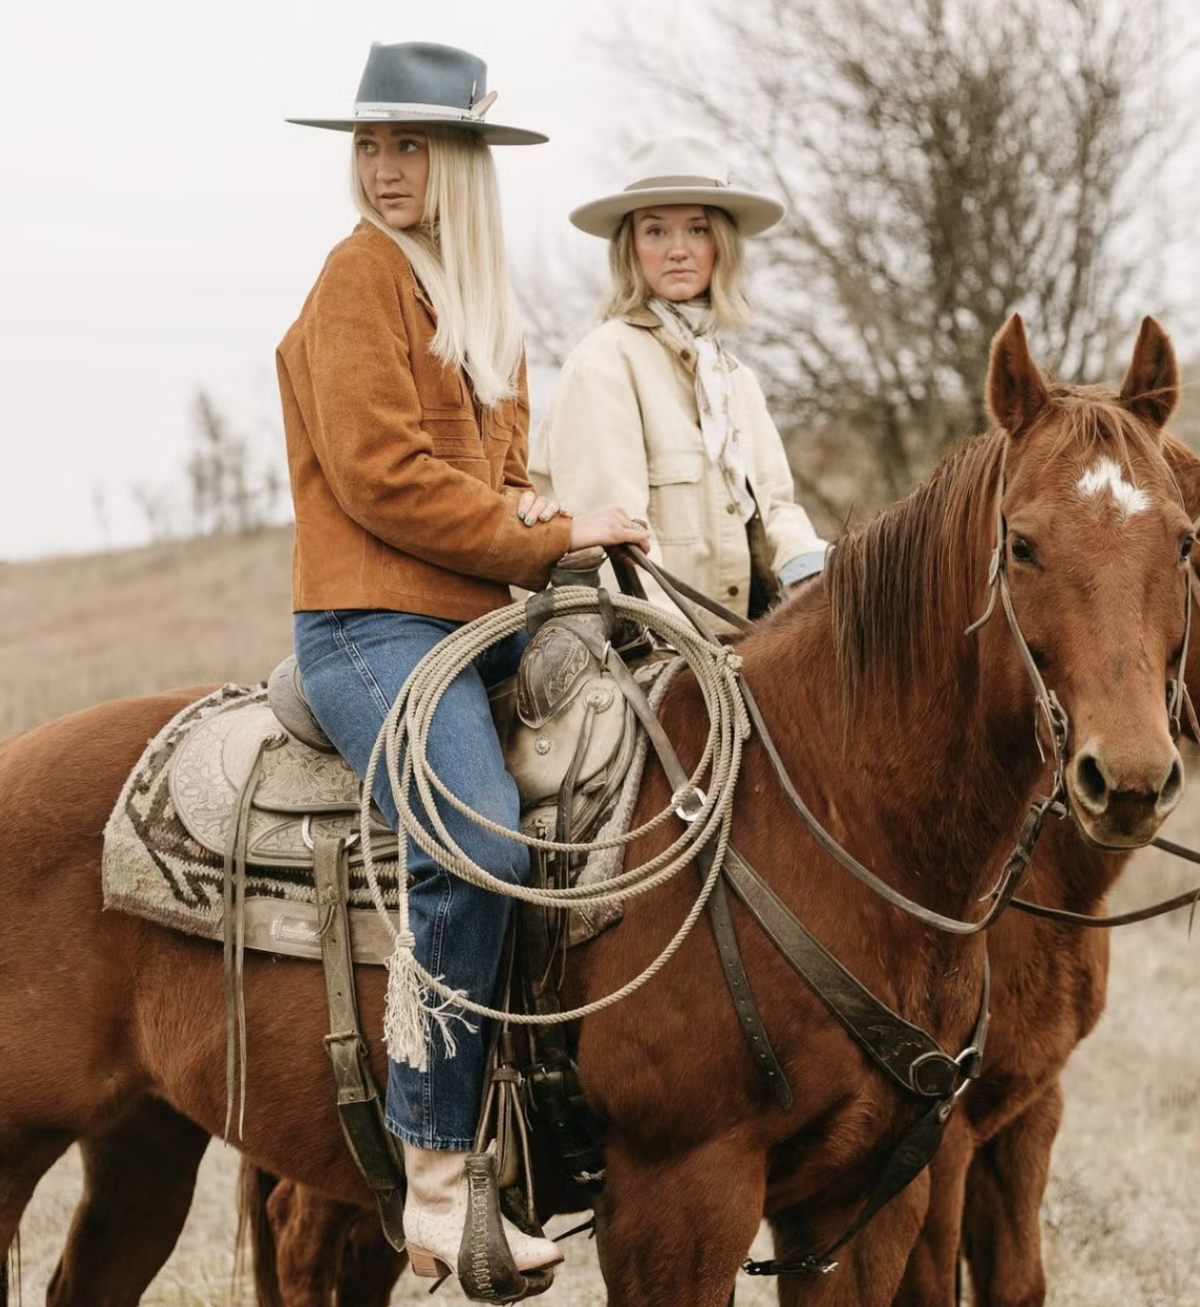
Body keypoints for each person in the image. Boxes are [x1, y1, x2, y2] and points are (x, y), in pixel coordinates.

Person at [277, 41, 649, 1280]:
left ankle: (549, 1107)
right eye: (372, 147)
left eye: (411, 147)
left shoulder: (479, 305)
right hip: (369, 628)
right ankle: (436, 1168)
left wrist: (575, 531)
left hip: (472, 622)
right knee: (478, 833)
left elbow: (497, 476)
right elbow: (384, 477)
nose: (385, 170)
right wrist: (547, 531)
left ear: (464, 164)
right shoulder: (356, 278)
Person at [532, 135, 828, 631]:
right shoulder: (604, 363)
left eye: (697, 229)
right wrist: (695, 648)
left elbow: (777, 507)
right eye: (655, 232)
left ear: (722, 245)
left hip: (745, 639)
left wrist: (814, 581)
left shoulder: (737, 380)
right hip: (658, 647)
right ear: (631, 249)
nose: (678, 251)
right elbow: (618, 544)